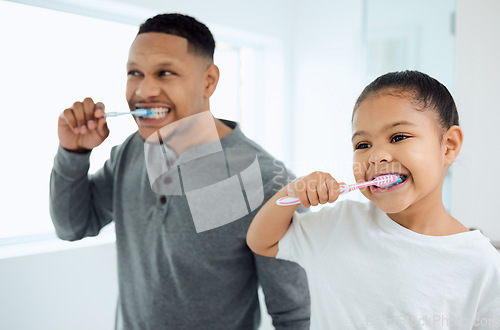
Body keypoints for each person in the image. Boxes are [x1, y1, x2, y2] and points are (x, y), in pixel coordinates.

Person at [50, 13, 310, 329]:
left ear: (209, 81)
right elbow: (72, 226)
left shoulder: (266, 182)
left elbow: (295, 315)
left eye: (165, 72)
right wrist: (73, 153)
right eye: (135, 72)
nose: (144, 90)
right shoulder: (132, 151)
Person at [247, 71, 500, 329]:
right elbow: (262, 242)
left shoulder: (481, 264)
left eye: (398, 137)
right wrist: (293, 192)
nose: (376, 156)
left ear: (448, 146)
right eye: (363, 144)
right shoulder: (338, 224)